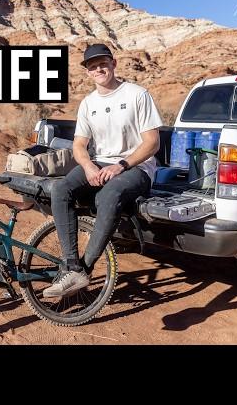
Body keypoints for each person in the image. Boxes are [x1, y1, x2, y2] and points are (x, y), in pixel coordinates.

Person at [43, 43, 163, 298]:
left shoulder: (137, 95)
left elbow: (152, 142)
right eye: (92, 66)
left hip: (135, 167)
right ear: (87, 72)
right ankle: (71, 265)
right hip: (98, 162)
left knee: (109, 194)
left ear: (113, 63)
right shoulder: (88, 103)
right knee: (61, 189)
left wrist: (120, 166)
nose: (98, 69)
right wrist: (87, 166)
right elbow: (79, 145)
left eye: (103, 63)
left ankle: (83, 270)